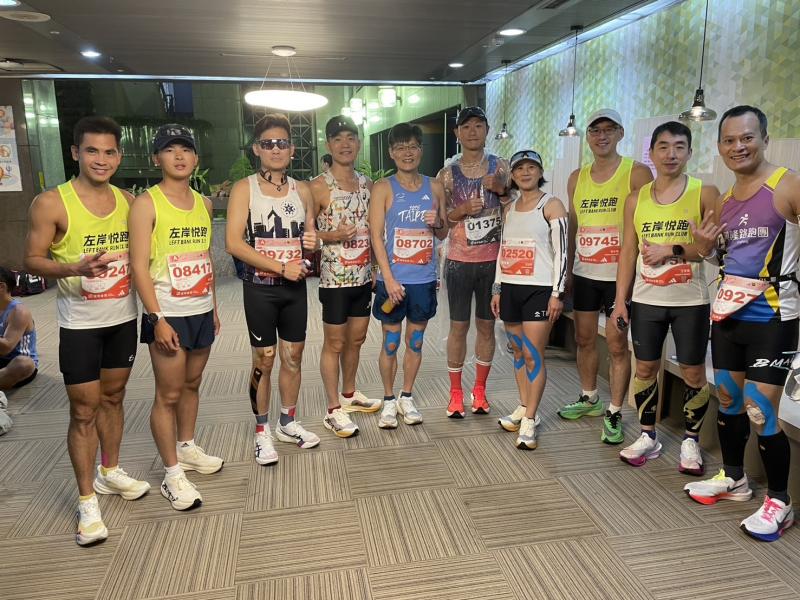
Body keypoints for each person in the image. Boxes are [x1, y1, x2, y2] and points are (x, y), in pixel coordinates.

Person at [24, 116, 150, 546]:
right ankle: (87, 501)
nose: (101, 159)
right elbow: (31, 259)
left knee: (114, 398)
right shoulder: (51, 203)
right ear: (76, 152)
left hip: (122, 320)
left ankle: (110, 470)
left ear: (119, 156)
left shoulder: (129, 202)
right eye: (92, 150)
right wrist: (73, 268)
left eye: (109, 151)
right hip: (79, 325)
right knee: (83, 411)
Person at [685, 106, 798, 542]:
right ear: (719, 147)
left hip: (774, 317)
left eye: (747, 137)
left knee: (758, 407)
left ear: (764, 139)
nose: (739, 146)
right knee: (729, 398)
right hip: (729, 314)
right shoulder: (725, 201)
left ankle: (780, 502)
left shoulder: (788, 185)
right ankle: (734, 477)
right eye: (729, 140)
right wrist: (703, 248)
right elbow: (721, 256)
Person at [610, 121, 720, 470]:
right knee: (645, 367)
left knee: (693, 372)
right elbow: (628, 252)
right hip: (647, 300)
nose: (671, 154)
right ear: (652, 152)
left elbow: (712, 249)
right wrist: (620, 301)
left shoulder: (705, 193)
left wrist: (672, 249)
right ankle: (648, 435)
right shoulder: (635, 199)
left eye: (679, 146)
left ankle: (691, 441)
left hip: (691, 301)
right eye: (663, 146)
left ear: (689, 152)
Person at [129, 124, 223, 511]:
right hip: (168, 312)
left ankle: (186, 447)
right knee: (167, 394)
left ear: (196, 158)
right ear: (157, 158)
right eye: (170, 149)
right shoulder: (146, 204)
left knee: (192, 384)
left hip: (200, 308)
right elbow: (138, 266)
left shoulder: (204, 203)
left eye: (186, 149)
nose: (179, 156)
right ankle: (171, 475)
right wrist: (157, 319)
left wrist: (213, 306)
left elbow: (205, 256)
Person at [226, 113, 319, 463]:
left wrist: (313, 244)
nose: (275, 149)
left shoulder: (302, 189)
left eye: (282, 143)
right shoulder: (244, 188)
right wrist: (280, 267)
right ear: (257, 149)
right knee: (263, 359)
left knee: (293, 356)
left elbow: (310, 239)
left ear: (292, 149)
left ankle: (288, 422)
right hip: (260, 288)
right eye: (268, 144)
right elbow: (233, 243)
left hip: (294, 289)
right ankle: (262, 430)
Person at [558, 108, 653, 445]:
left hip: (619, 277)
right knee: (584, 338)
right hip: (584, 273)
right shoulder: (576, 177)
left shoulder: (636, 173)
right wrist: (567, 270)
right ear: (587, 137)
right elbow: (573, 225)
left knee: (616, 345)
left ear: (620, 133)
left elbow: (647, 221)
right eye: (595, 130)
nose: (602, 136)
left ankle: (614, 411)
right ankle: (590, 398)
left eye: (608, 130)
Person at [369, 122, 448, 428]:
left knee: (415, 341)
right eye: (400, 147)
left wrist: (437, 221)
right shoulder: (383, 188)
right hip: (392, 281)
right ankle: (388, 400)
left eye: (413, 146)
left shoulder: (435, 187)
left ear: (420, 150)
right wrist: (388, 278)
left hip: (423, 280)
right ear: (391, 152)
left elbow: (442, 232)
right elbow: (376, 237)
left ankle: (406, 396)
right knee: (390, 342)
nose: (407, 153)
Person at [491, 150, 567, 449]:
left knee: (534, 354)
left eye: (531, 167)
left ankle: (531, 418)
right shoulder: (509, 208)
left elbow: (562, 252)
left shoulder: (552, 205)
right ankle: (524, 406)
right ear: (512, 175)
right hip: (511, 288)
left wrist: (557, 293)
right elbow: (504, 249)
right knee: (518, 352)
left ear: (540, 172)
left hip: (540, 290)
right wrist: (497, 288)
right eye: (519, 168)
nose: (525, 173)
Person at [310, 116, 380, 439]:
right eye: (338, 139)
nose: (345, 144)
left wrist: (376, 269)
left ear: (359, 143)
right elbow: (305, 236)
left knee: (357, 339)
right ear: (328, 145)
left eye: (351, 138)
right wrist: (332, 235)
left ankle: (349, 395)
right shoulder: (318, 186)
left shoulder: (368, 185)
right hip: (335, 280)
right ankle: (332, 409)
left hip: (363, 277)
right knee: (335, 343)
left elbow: (375, 231)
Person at [437, 106, 509, 418]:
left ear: (487, 130)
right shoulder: (446, 174)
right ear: (457, 133)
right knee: (458, 327)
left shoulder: (501, 167)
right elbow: (440, 226)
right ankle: (455, 393)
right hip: (459, 262)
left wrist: (502, 192)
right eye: (466, 127)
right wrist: (461, 210)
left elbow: (517, 211)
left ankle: (479, 390)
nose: (472, 132)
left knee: (486, 327)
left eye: (478, 125)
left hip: (493, 263)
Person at [0, 265, 39, 435]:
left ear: (2, 287)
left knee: (24, 364)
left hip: (15, 362)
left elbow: (7, 346)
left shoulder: (19, 311)